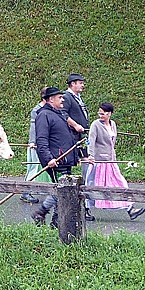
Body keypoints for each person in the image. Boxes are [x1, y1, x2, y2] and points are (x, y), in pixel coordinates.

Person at [31, 86, 85, 228]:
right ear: (50, 99)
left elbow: (67, 138)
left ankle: (56, 221)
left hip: (65, 159)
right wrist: (48, 158)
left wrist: (77, 156)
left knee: (63, 189)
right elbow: (41, 139)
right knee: (61, 190)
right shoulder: (43, 115)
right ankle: (42, 212)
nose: (62, 99)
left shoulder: (59, 114)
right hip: (56, 160)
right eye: (60, 97)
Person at [85, 102, 145, 220]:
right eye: (99, 113)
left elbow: (112, 143)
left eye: (103, 114)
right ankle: (86, 210)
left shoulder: (113, 124)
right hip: (99, 162)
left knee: (120, 183)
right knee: (93, 186)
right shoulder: (95, 125)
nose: (100, 116)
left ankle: (130, 208)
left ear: (110, 114)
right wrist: (91, 156)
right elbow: (91, 141)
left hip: (111, 161)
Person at [62, 72, 92, 218]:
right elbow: (63, 114)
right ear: (72, 84)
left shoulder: (77, 97)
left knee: (87, 165)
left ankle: (84, 205)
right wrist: (76, 125)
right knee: (83, 165)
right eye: (80, 82)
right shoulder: (67, 97)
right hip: (75, 137)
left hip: (81, 135)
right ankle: (82, 206)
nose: (82, 85)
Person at [20, 87, 52, 204]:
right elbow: (33, 127)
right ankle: (25, 191)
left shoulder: (50, 110)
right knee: (33, 167)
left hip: (47, 143)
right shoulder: (37, 110)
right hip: (37, 144)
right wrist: (32, 142)